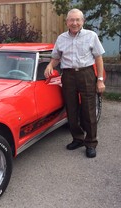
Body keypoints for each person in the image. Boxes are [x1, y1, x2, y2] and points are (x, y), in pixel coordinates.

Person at [44, 8, 106, 158]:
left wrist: (100, 80)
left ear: (82, 21)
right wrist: (50, 65)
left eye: (78, 20)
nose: (75, 23)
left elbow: (98, 58)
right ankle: (77, 138)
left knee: (88, 110)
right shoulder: (61, 38)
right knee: (71, 109)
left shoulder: (91, 36)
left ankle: (91, 143)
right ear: (67, 22)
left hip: (86, 74)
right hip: (68, 76)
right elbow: (57, 56)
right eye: (71, 20)